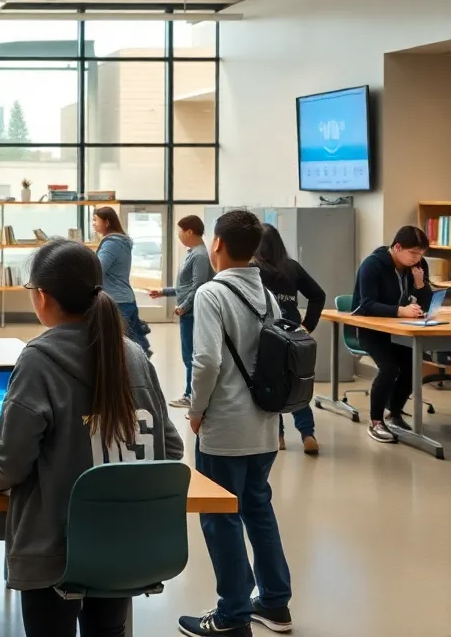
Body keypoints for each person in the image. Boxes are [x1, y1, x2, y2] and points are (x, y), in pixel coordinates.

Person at [0, 238, 183, 637]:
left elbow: (13, 464)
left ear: (44, 297)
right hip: (123, 539)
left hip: (54, 548)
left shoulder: (38, 360)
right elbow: (171, 449)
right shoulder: (133, 354)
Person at [180, 210, 292, 637]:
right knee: (258, 509)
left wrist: (196, 410)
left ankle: (232, 614)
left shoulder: (212, 293)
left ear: (218, 245)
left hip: (224, 428)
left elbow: (206, 360)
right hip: (264, 425)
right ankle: (275, 602)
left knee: (220, 516)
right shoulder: (263, 292)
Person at [351, 224, 433, 444]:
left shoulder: (417, 266)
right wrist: (400, 310)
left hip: (400, 330)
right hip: (371, 330)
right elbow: (365, 305)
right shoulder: (372, 265)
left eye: (421, 254)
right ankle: (375, 421)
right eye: (413, 253)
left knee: (412, 365)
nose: (418, 258)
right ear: (397, 247)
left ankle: (393, 412)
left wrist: (419, 284)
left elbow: (425, 304)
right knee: (389, 368)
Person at [254, 223, 326, 455]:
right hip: (294, 334)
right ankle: (307, 433)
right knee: (297, 383)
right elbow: (318, 295)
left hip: (268, 336)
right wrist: (307, 326)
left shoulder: (253, 269)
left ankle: (279, 435)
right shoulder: (292, 267)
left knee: (272, 384)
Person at [150, 215, 213, 408]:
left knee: (191, 356)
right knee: (189, 355)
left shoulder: (200, 255)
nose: (179, 235)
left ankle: (191, 395)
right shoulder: (193, 253)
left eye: (180, 231)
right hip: (188, 312)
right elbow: (185, 286)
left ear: (190, 231)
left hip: (192, 314)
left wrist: (183, 307)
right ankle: (191, 393)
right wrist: (164, 292)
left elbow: (198, 286)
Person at [92, 206, 151, 355]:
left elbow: (98, 268)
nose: (93, 223)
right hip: (125, 298)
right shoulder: (121, 242)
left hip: (116, 301)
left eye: (95, 220)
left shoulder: (111, 243)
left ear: (106, 222)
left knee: (119, 347)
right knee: (130, 344)